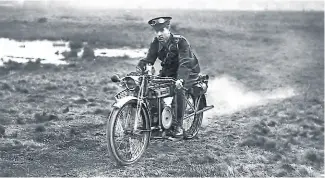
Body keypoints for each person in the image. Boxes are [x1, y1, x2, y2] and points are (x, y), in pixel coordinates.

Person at [136, 16, 201, 138]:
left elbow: (185, 63)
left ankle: (178, 126)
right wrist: (143, 67)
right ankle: (156, 124)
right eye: (156, 31)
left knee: (178, 89)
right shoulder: (156, 43)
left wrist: (180, 79)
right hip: (169, 72)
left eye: (161, 30)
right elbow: (149, 59)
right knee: (152, 90)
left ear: (168, 29)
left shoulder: (180, 42)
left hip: (188, 71)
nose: (159, 34)